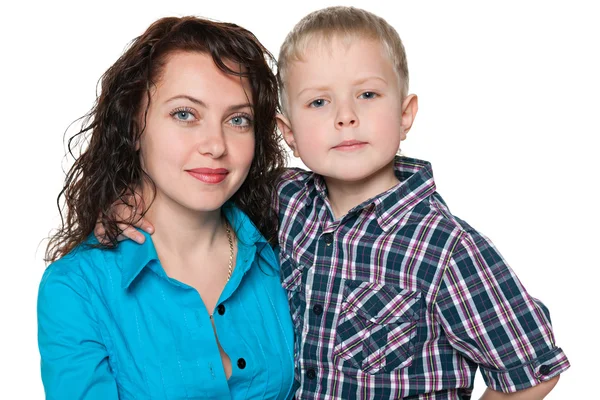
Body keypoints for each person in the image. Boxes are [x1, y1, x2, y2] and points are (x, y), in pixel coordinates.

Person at [110, 6, 570, 399]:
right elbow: (199, 197)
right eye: (318, 103)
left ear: (405, 114)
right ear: (288, 133)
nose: (346, 116)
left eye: (367, 95)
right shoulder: (285, 200)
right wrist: (133, 200)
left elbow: (533, 369)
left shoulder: (445, 247)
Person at [38, 16, 294, 399]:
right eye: (185, 114)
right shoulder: (77, 288)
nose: (215, 145)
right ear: (134, 127)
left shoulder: (292, 241)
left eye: (238, 119)